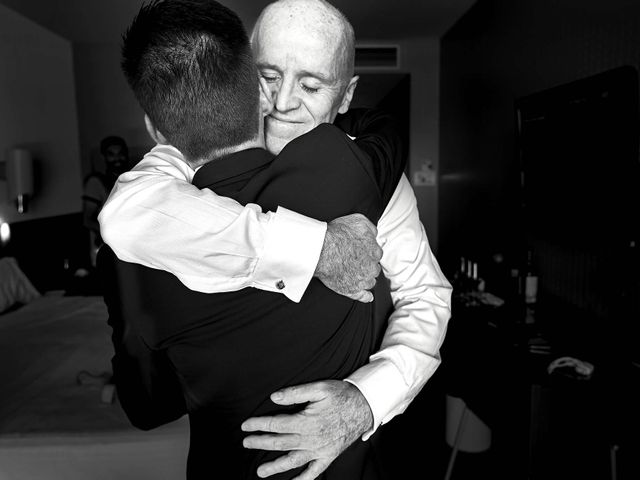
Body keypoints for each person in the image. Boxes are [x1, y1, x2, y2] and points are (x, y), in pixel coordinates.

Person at [99, 0, 452, 478]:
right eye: (268, 76)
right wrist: (316, 248)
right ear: (245, 75)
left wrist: (366, 402)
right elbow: (125, 214)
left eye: (310, 84)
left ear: (345, 97)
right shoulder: (175, 171)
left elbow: (425, 293)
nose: (282, 102)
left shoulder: (372, 175)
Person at [82, 135, 130, 266]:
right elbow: (87, 220)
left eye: (120, 154)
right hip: (109, 249)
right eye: (111, 155)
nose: (117, 159)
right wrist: (115, 235)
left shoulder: (131, 178)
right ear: (104, 157)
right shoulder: (96, 182)